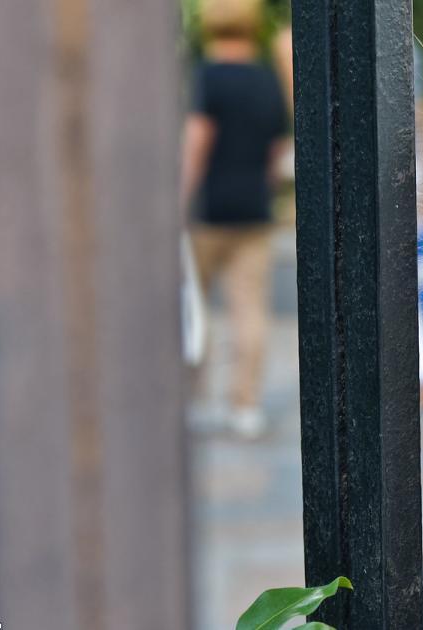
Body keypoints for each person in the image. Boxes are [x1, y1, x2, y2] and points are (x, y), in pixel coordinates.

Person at [181, 0, 288, 437]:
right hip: (253, 211)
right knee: (249, 311)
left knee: (192, 308)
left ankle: (193, 400)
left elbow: (197, 141)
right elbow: (278, 149)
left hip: (206, 212)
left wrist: (178, 198)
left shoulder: (204, 77)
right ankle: (246, 407)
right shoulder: (266, 81)